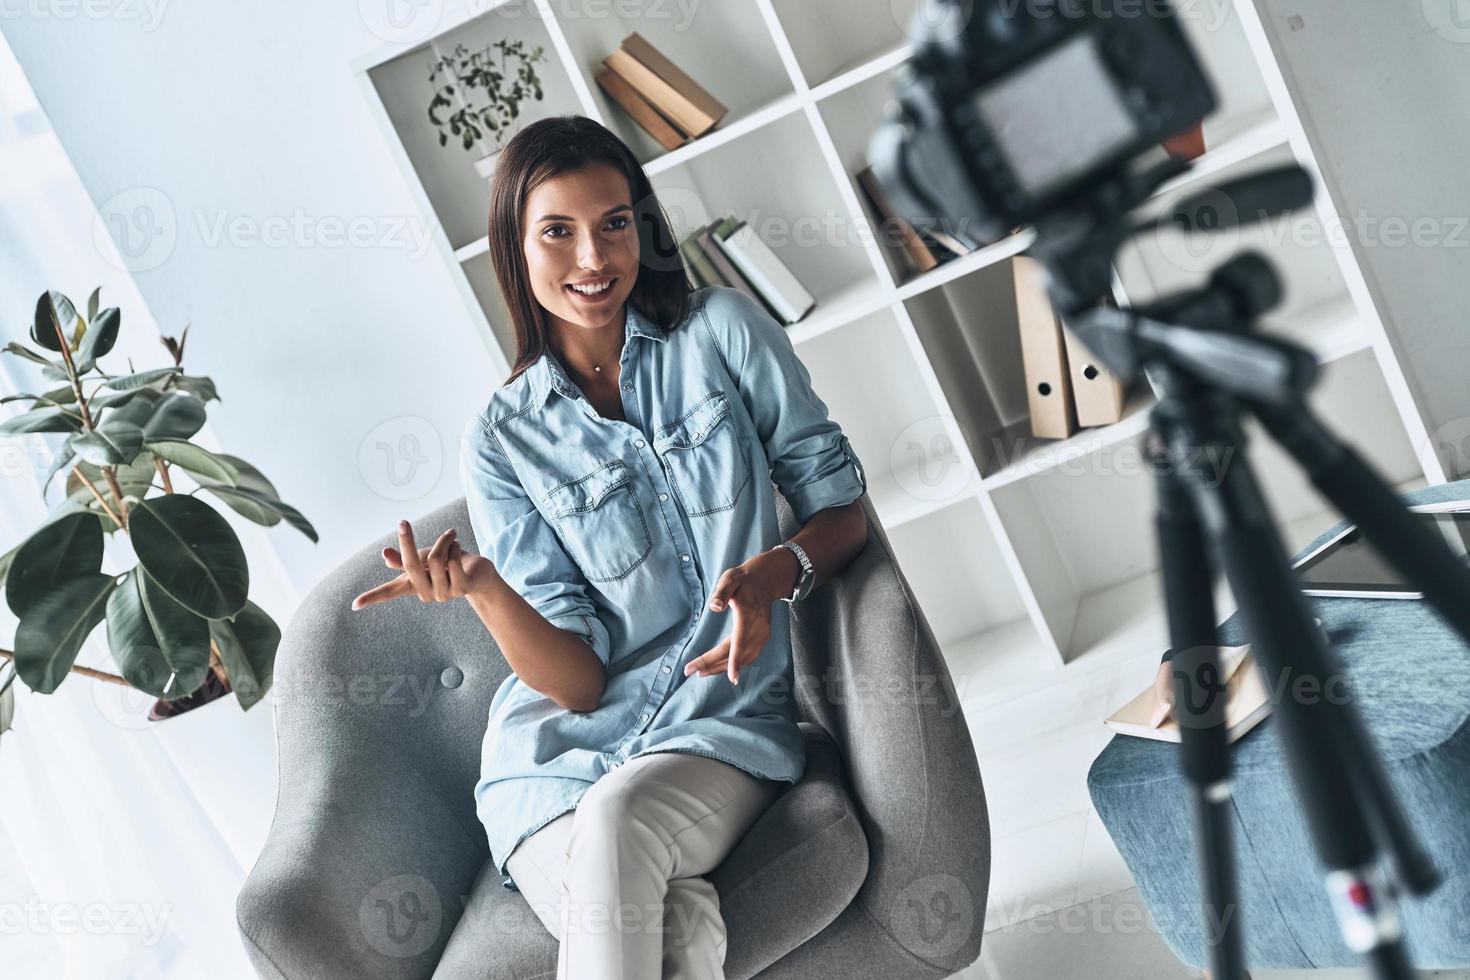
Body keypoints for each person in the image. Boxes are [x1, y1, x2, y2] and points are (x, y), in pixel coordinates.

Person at [350, 114, 870, 979]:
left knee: (624, 823)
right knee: (672, 934)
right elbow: (579, 683)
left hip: (718, 729)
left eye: (614, 224)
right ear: (514, 251)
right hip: (547, 773)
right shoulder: (501, 439)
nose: (593, 260)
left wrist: (773, 575)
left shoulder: (724, 334)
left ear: (645, 228)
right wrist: (484, 587)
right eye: (557, 232)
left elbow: (842, 510)